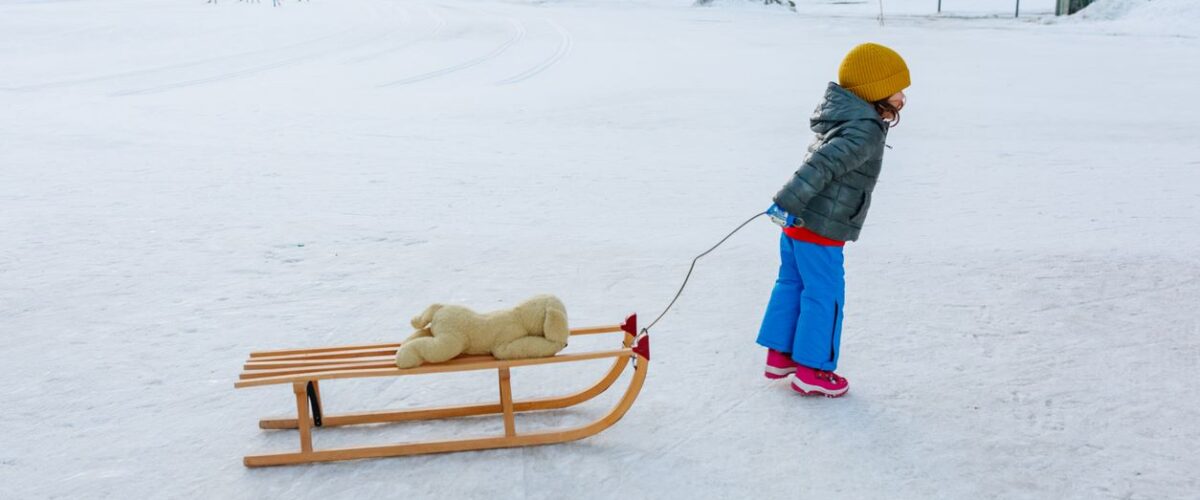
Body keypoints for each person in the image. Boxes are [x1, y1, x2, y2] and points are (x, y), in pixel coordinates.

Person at [757, 42, 909, 398]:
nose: (902, 97)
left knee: (792, 284)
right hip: (820, 229)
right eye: (896, 90)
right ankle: (813, 370)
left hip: (800, 222)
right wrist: (786, 200)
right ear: (873, 91)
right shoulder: (863, 129)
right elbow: (821, 166)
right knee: (825, 295)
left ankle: (781, 356)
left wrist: (790, 206)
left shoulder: (845, 117)